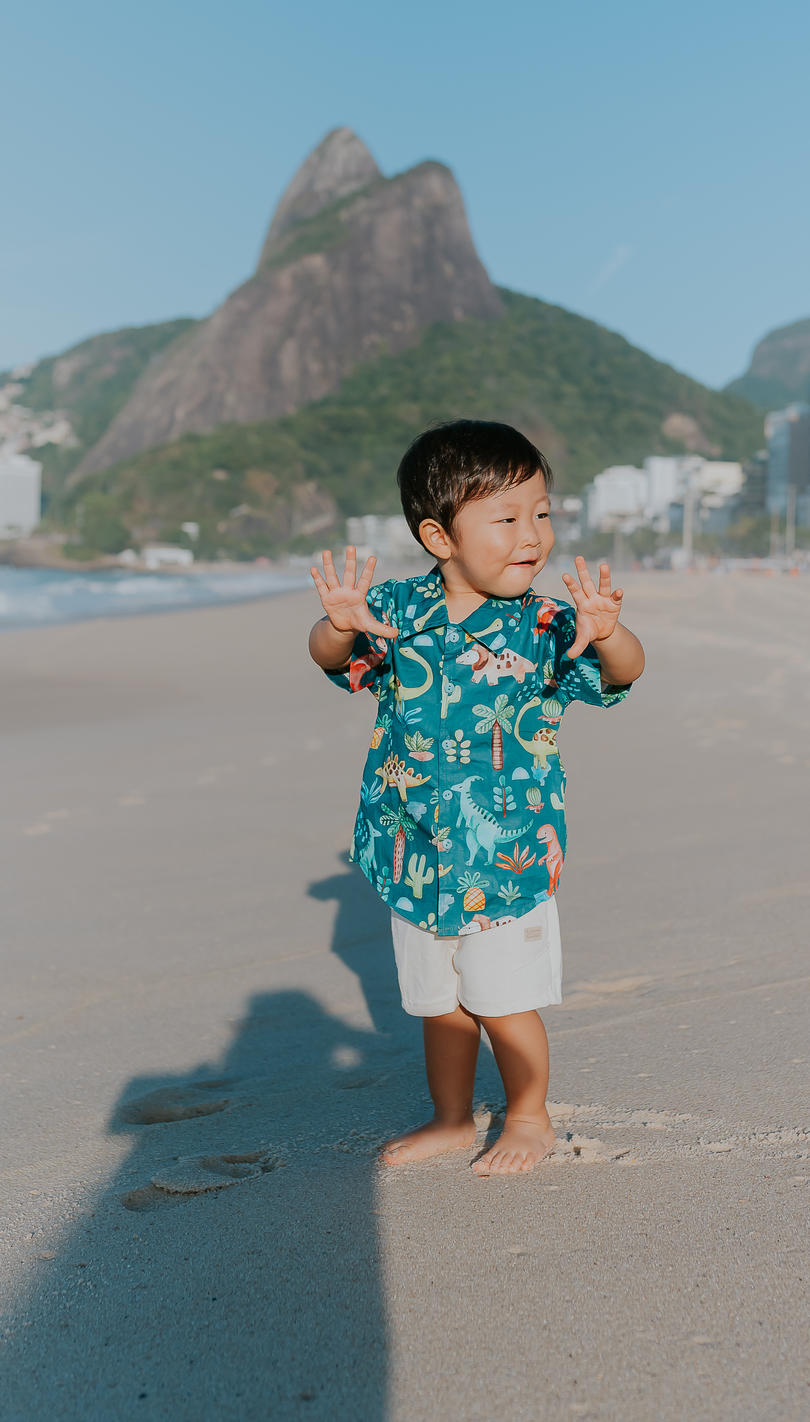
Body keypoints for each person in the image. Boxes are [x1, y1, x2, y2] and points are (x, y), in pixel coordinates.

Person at [308, 419, 646, 1175]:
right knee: (440, 1005)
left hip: (507, 854)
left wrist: (610, 632)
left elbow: (622, 673)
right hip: (413, 849)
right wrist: (334, 627)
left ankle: (528, 1114)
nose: (533, 535)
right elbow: (335, 659)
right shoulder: (396, 613)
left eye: (542, 513)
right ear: (439, 536)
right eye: (507, 518)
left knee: (502, 999)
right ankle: (453, 1116)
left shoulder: (547, 624)